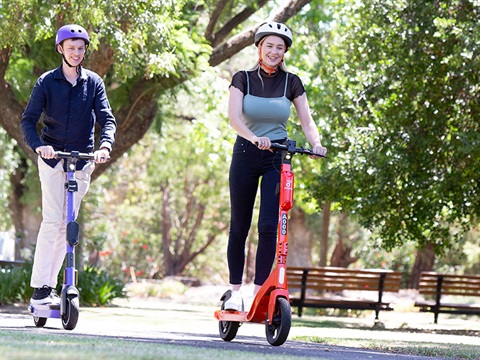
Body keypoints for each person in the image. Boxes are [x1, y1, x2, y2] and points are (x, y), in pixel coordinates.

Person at [224, 22, 327, 310]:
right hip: (246, 152)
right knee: (239, 226)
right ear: (259, 47)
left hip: (276, 156)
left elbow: (307, 121)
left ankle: (259, 291)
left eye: (279, 47)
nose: (273, 51)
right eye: (269, 45)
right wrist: (254, 138)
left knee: (270, 226)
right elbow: (234, 119)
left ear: (284, 53)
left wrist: (316, 144)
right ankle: (235, 292)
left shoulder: (291, 82)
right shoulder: (241, 78)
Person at [20, 24, 116, 305]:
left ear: (86, 50)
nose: (76, 52)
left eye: (81, 48)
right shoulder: (47, 82)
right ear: (60, 49)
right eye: (71, 47)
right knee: (52, 221)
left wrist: (105, 146)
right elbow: (28, 120)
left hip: (82, 161)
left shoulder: (94, 82)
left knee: (67, 224)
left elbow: (106, 119)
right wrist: (40, 146)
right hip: (52, 161)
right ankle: (40, 288)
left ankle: (52, 286)